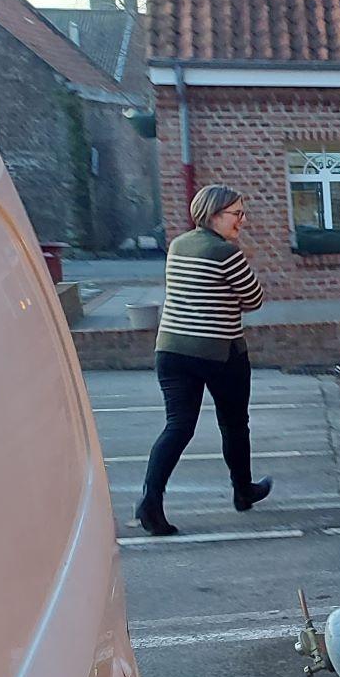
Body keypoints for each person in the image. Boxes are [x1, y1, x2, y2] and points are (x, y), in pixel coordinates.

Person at [135, 184, 271, 536]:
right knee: (234, 424)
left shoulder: (178, 246)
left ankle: (151, 501)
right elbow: (254, 299)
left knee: (178, 427)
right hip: (218, 353)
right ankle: (243, 491)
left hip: (170, 351)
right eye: (236, 214)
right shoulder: (226, 253)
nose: (242, 220)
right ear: (214, 215)